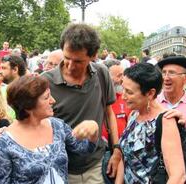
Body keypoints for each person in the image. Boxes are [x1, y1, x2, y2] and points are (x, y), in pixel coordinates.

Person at [42, 24, 121, 183]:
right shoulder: (44, 81)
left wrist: (116, 150)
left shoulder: (101, 73)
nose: (70, 66)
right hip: (61, 168)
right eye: (67, 58)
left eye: (78, 61)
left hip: (96, 165)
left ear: (93, 56)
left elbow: (109, 113)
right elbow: (33, 123)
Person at [0, 75, 99, 183]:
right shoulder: (4, 144)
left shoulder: (57, 126)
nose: (53, 101)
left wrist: (94, 130)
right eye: (46, 97)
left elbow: (84, 150)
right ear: (28, 106)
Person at [116, 63, 186, 183]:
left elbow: (178, 176)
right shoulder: (134, 115)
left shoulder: (166, 120)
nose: (123, 96)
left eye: (129, 92)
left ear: (150, 93)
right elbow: (126, 158)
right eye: (123, 89)